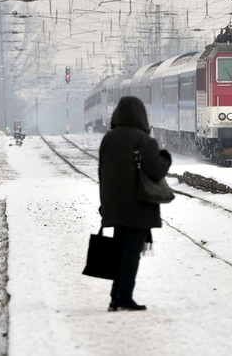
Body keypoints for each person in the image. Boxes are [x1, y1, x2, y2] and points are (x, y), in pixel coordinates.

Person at [98, 96, 172, 312]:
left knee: (120, 251)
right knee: (131, 253)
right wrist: (165, 157)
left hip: (114, 204)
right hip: (138, 207)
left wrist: (104, 203)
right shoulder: (144, 140)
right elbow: (157, 169)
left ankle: (116, 296)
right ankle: (124, 297)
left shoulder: (108, 139)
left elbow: (102, 173)